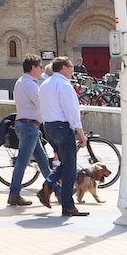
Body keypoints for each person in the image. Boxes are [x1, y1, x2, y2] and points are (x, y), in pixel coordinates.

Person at [37, 55, 88, 217]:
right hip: (62, 128)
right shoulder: (64, 85)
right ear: (64, 68)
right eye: (71, 66)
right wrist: (81, 133)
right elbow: (71, 111)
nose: (73, 70)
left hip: (49, 127)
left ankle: (49, 185)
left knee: (66, 163)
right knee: (70, 169)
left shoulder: (45, 84)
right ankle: (67, 205)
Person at [6, 57, 56, 207]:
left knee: (43, 162)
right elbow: (41, 103)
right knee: (22, 162)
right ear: (33, 67)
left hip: (29, 126)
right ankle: (14, 194)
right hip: (28, 126)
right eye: (40, 66)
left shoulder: (22, 82)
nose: (41, 69)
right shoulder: (29, 84)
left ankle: (57, 190)